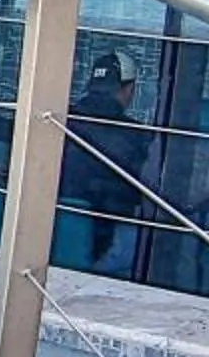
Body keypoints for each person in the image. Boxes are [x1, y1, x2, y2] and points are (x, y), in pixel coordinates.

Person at [61, 51, 151, 264]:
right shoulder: (136, 135)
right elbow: (144, 192)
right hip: (104, 241)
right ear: (129, 90)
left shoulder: (57, 119)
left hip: (48, 235)